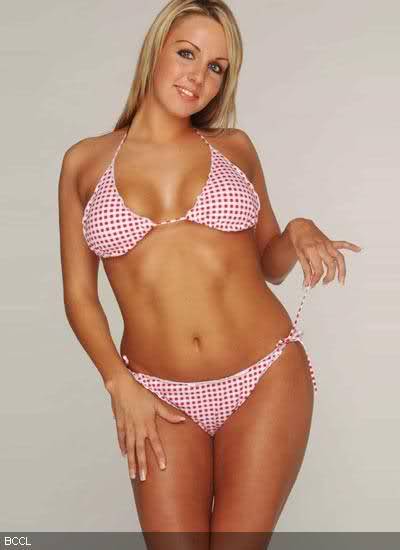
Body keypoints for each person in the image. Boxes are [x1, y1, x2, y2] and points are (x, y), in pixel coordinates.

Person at [58, 0, 361, 544]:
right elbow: (80, 294)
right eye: (187, 53)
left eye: (216, 67)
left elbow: (268, 265)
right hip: (155, 393)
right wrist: (118, 383)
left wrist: (296, 232)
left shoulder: (234, 148)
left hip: (265, 376)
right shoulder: (84, 163)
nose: (198, 77)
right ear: (155, 51)